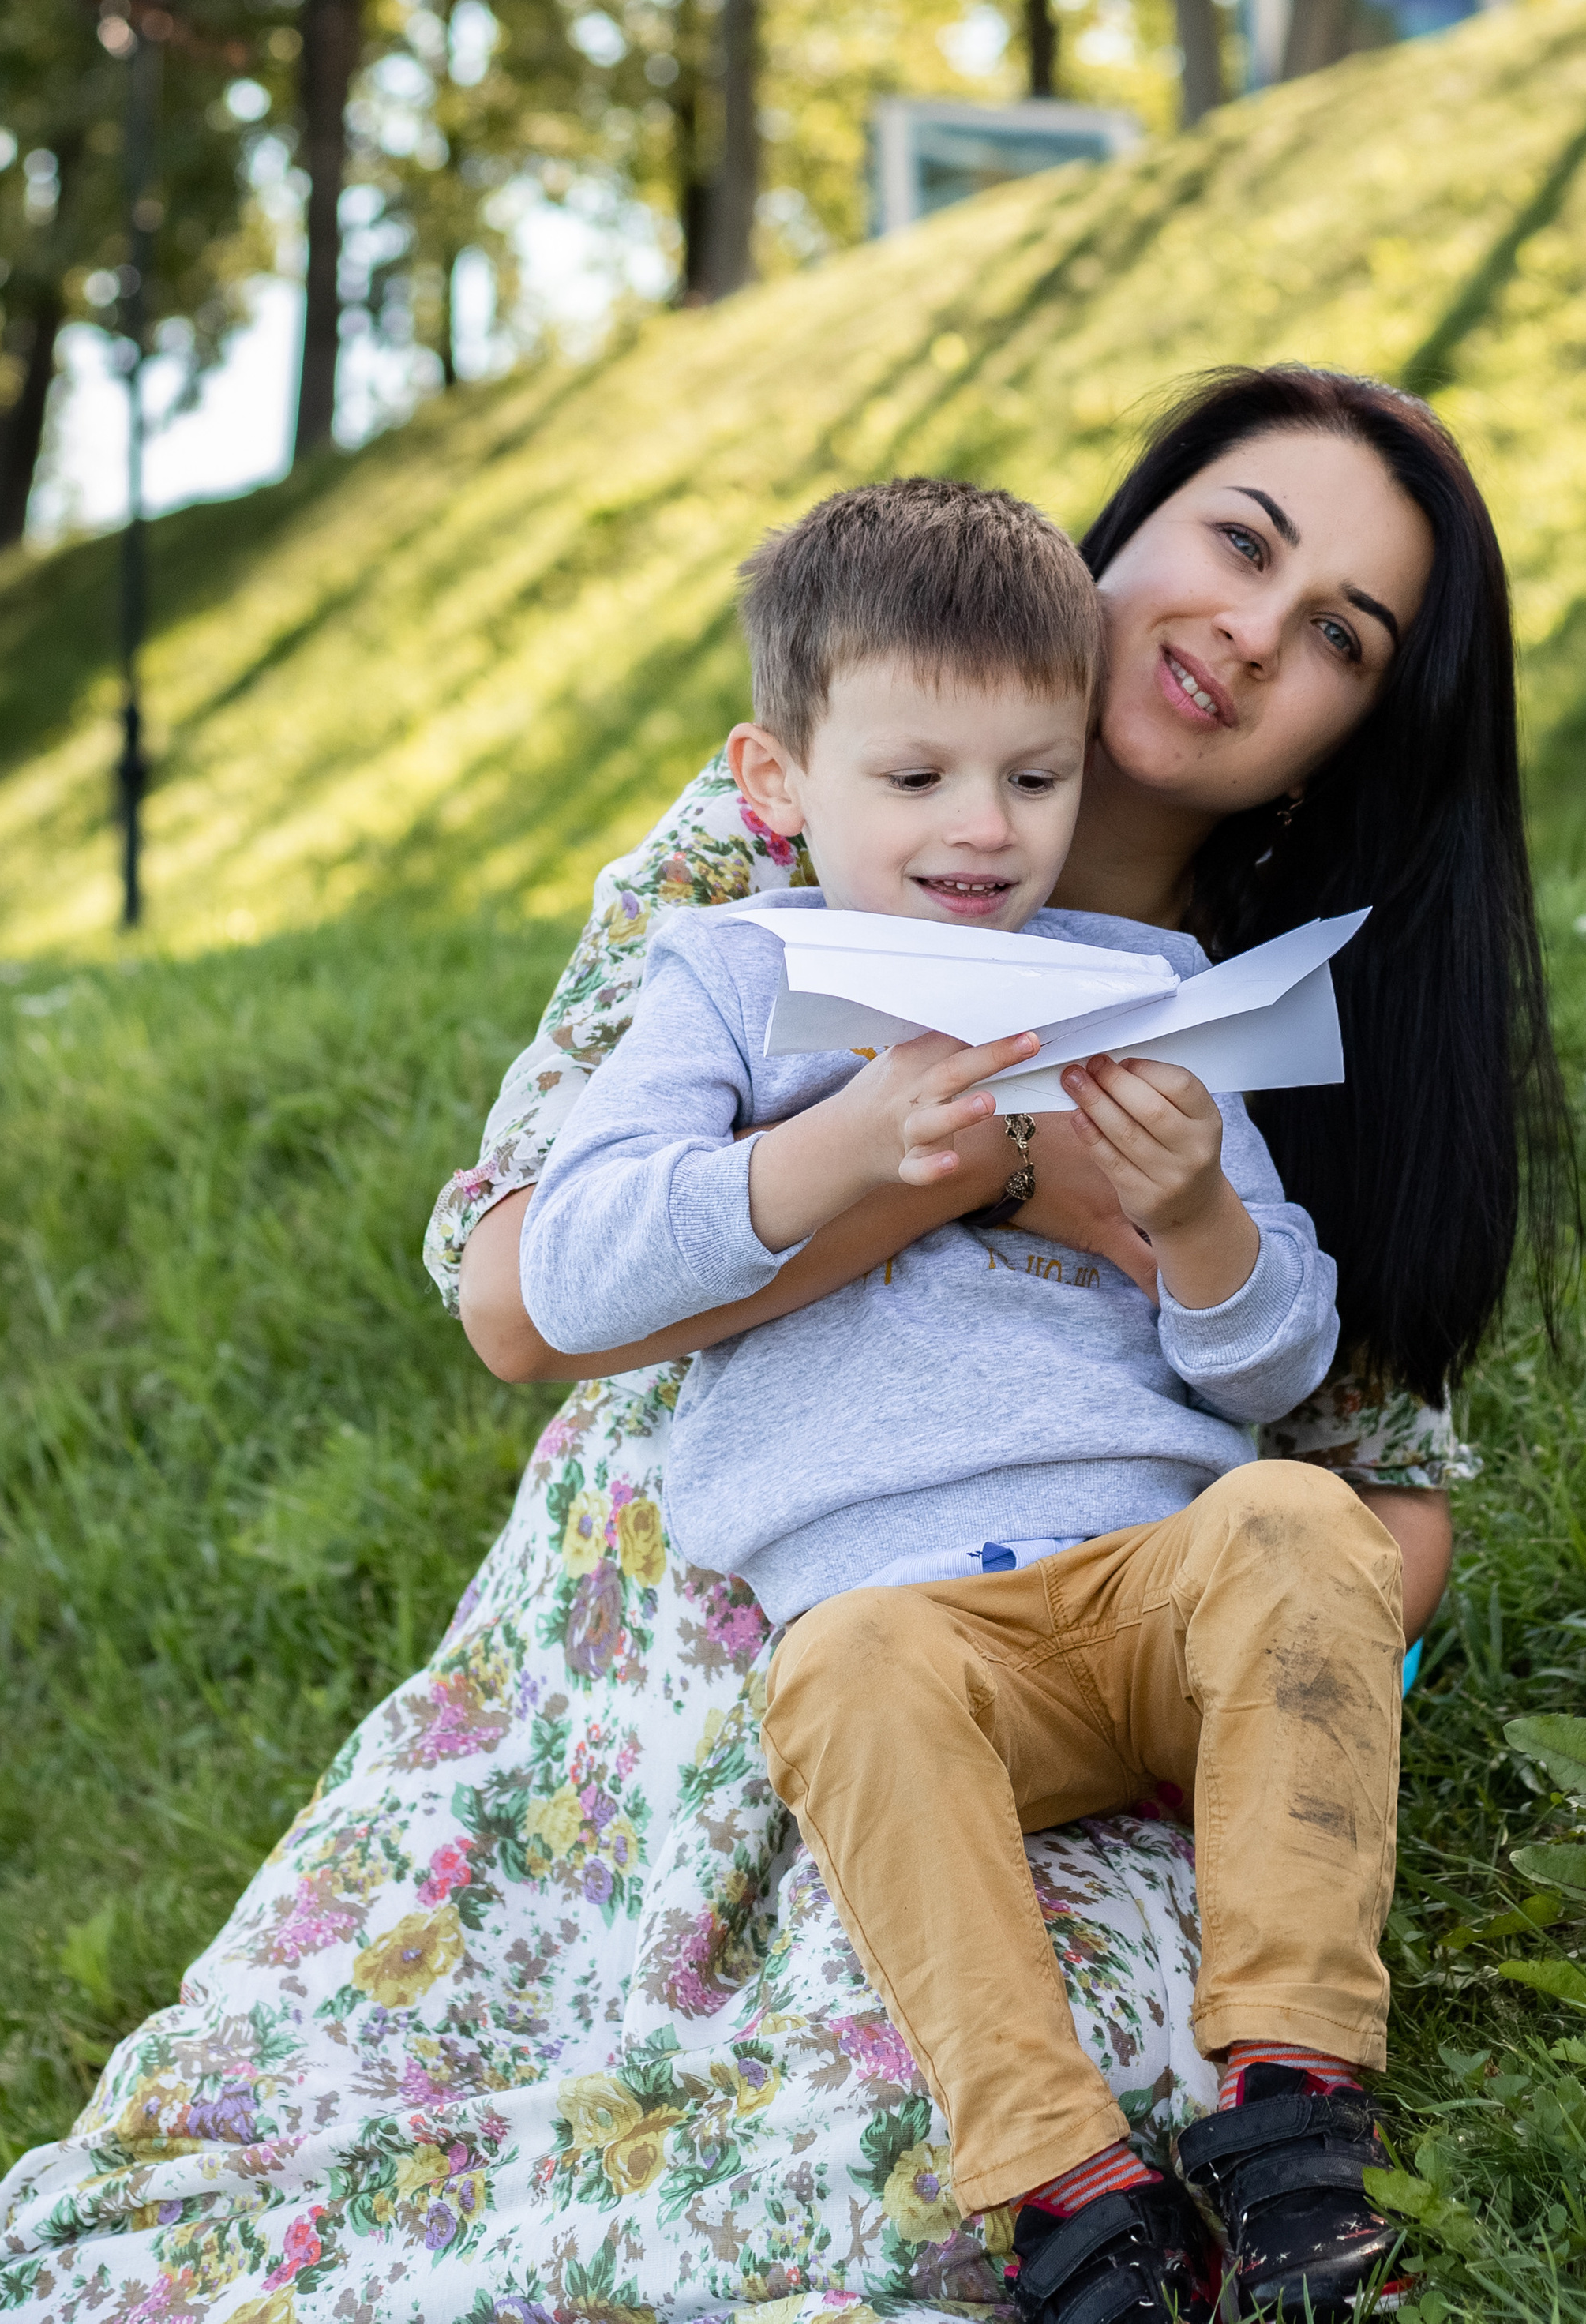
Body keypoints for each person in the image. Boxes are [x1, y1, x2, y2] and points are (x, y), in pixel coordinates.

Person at [0, 369, 1562, 2324]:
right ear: (1122, 534)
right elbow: (520, 1289)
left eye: (1335, 640)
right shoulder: (786, 832)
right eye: (1238, 542)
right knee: (419, 2103)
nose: (1247, 632)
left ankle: (1229, 2139)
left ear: (1336, 742)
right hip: (690, 1612)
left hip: (1089, 1637)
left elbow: (1378, 1491)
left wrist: (1173, 1617)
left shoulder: (1258, 1002)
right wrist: (980, 1174)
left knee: (991, 2114)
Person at [523, 470, 1389, 2324]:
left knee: (1300, 1518)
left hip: (1140, 1583)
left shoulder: (1145, 987)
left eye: (1032, 776)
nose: (979, 832)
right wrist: (831, 1155)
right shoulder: (732, 976)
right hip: (903, 1626)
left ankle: (1299, 2101)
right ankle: (1063, 2185)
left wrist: (1192, 1221)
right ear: (779, 786)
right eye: (912, 782)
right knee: (843, 1669)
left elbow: (1279, 1362)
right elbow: (575, 1263)